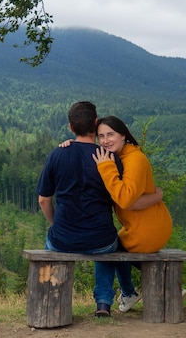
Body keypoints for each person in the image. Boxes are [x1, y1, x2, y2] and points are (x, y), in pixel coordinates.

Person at [35, 101, 122, 317]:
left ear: (71, 127)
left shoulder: (58, 154)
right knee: (108, 244)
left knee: (51, 241)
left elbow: (43, 200)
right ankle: (103, 302)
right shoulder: (110, 158)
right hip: (101, 239)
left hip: (63, 240)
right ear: (95, 123)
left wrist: (56, 225)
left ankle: (53, 299)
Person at [92, 115, 174, 311]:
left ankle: (130, 293)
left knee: (110, 247)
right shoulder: (123, 155)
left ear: (123, 135)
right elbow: (134, 201)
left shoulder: (135, 159)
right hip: (146, 226)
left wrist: (105, 168)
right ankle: (167, 286)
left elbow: (126, 199)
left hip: (148, 230)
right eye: (101, 136)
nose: (105, 140)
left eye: (110, 134)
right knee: (115, 245)